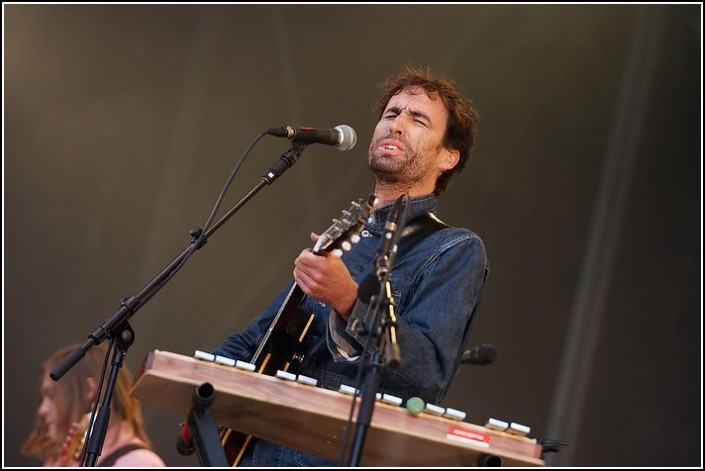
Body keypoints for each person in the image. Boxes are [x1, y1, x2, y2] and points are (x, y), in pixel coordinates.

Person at [213, 65, 488, 466]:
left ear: (449, 156)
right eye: (391, 114)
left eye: (418, 120)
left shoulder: (453, 249)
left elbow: (426, 377)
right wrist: (196, 377)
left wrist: (347, 299)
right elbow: (259, 337)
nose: (396, 126)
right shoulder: (340, 239)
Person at [21, 344, 166, 467]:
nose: (42, 410)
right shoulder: (62, 460)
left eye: (51, 395)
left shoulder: (138, 463)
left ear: (88, 390)